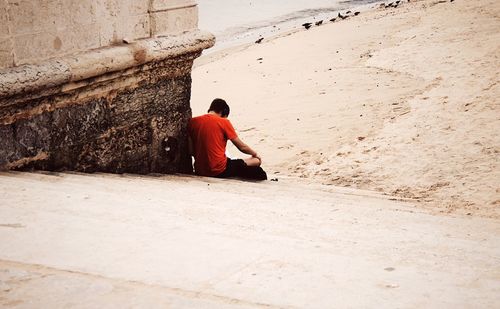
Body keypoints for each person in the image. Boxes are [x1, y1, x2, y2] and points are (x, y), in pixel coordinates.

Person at [188, 98, 267, 180]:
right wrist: (255, 154)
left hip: (200, 170)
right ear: (223, 112)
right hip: (220, 170)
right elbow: (242, 147)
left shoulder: (192, 122)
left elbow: (191, 151)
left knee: (236, 162)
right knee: (256, 161)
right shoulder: (224, 122)